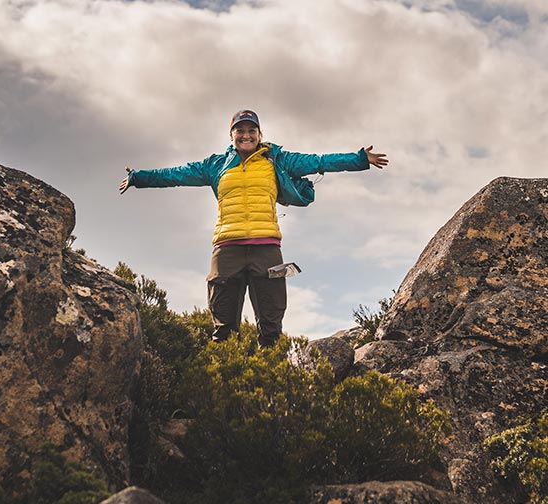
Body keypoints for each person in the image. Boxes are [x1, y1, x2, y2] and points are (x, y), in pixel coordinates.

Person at [119, 110, 388, 346]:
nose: (246, 135)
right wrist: (138, 178)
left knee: (271, 328)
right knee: (223, 329)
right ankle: (223, 393)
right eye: (240, 130)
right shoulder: (215, 165)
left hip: (267, 249)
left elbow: (319, 161)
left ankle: (271, 395)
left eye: (251, 130)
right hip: (226, 250)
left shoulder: (277, 160)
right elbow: (174, 175)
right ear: (231, 135)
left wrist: (359, 159)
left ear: (260, 134)